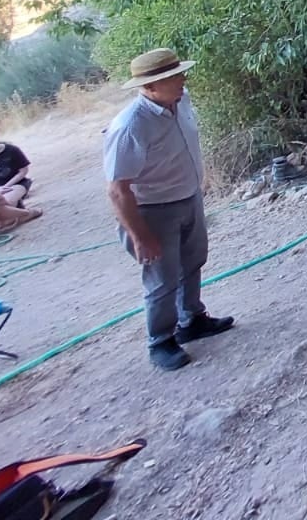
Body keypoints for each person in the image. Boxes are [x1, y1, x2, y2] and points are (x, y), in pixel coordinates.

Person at [104, 47, 234, 371]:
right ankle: (160, 341)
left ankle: (192, 319)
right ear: (149, 88)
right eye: (173, 77)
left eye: (179, 73)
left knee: (193, 261)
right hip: (153, 209)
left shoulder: (181, 100)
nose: (182, 80)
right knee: (162, 280)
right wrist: (140, 236)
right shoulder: (131, 126)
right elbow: (118, 189)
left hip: (187, 197)